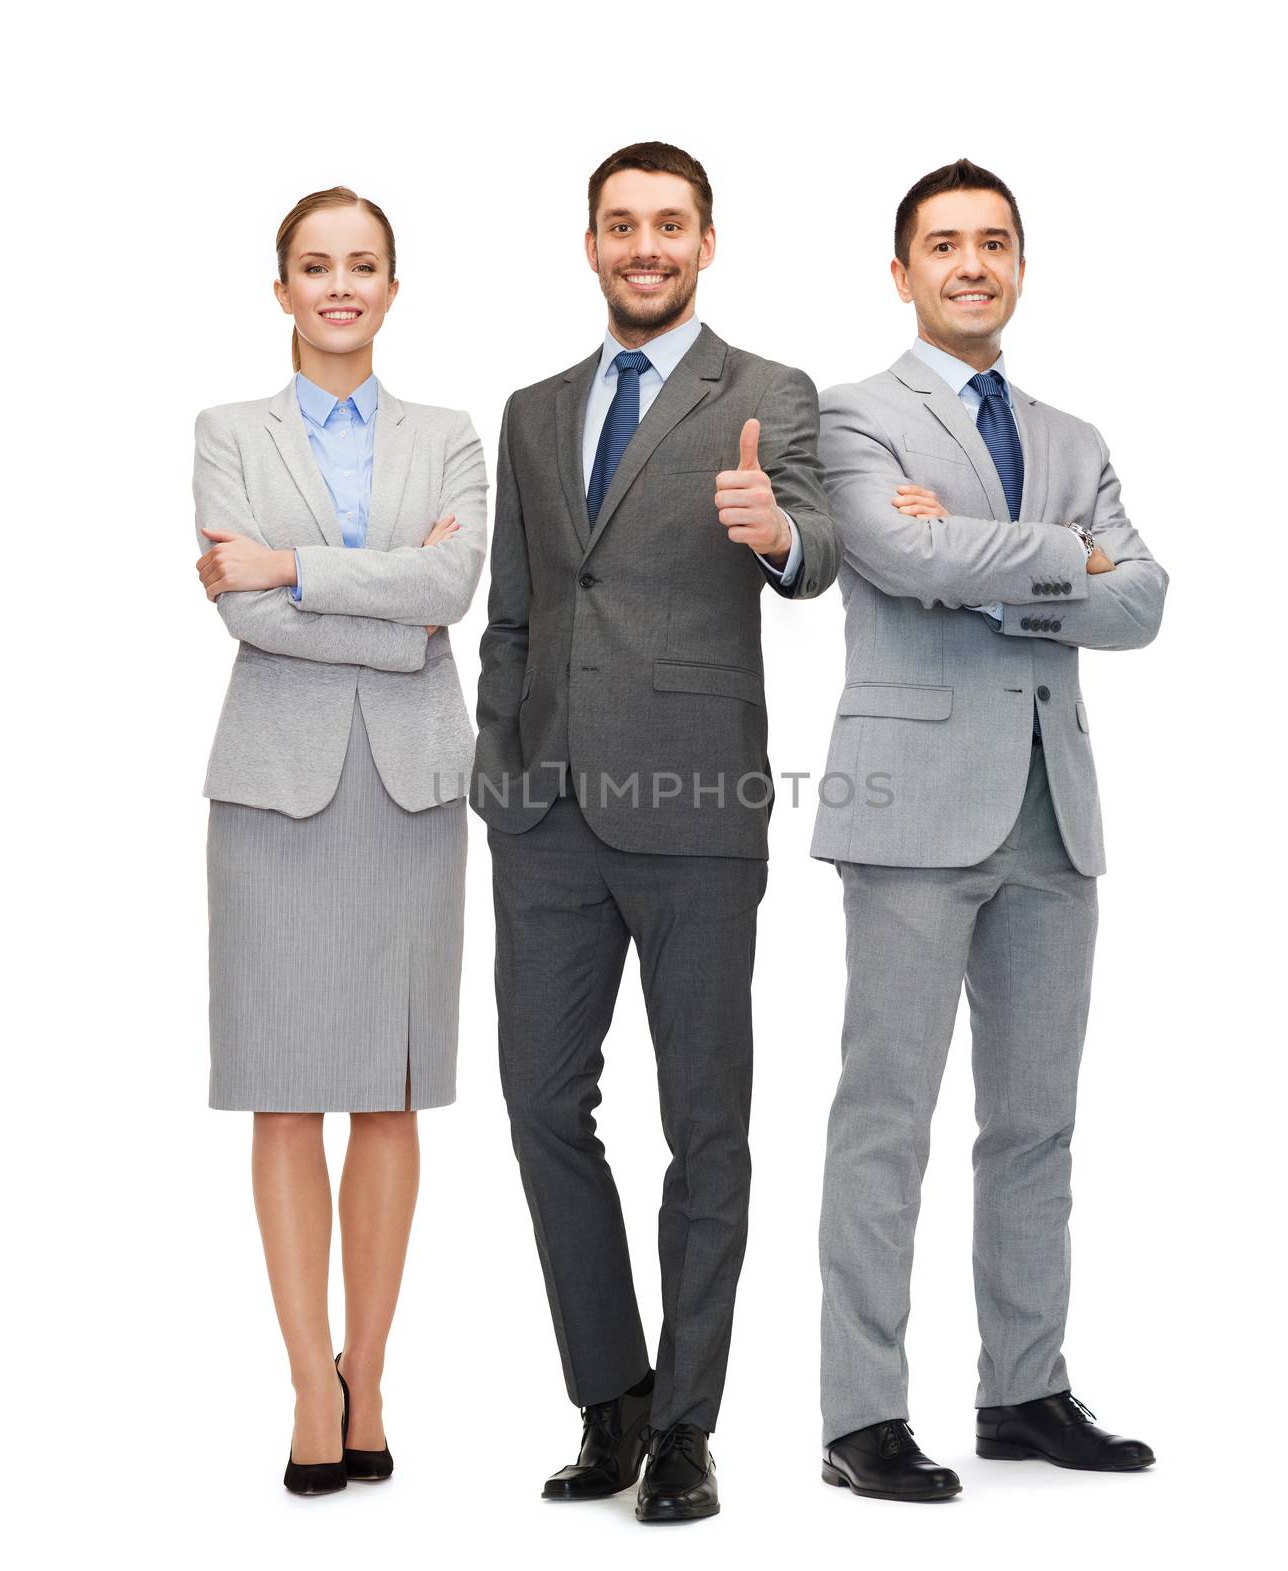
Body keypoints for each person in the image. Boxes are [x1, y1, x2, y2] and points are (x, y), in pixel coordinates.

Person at [473, 141, 839, 1523]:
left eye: (668, 226)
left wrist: (774, 533)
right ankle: (610, 1395)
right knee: (541, 1110)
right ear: (590, 245)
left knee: (707, 1127)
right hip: (546, 816)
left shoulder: (767, 395)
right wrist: (500, 768)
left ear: (705, 241)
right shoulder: (533, 408)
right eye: (621, 226)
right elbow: (514, 607)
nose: (645, 246)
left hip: (694, 810)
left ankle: (686, 1425)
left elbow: (815, 551)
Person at [811, 159, 1168, 1501]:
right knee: (885, 1119)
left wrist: (999, 558)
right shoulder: (849, 414)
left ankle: (1024, 1389)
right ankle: (860, 1417)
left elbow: (1145, 603)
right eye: (945, 245)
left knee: (1036, 1124)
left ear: (1021, 264)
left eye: (995, 243)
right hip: (911, 812)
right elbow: (899, 560)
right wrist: (1063, 557)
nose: (973, 264)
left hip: (1050, 812)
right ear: (902, 272)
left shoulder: (1074, 435)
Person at [192, 185, 486, 1496]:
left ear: (392, 286)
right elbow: (247, 621)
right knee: (284, 1086)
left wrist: (297, 567)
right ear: (281, 291)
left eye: (362, 265)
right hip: (276, 792)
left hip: (412, 793)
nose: (339, 287)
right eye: (315, 267)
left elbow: (454, 592)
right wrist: (396, 606)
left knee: (389, 1087)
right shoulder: (226, 434)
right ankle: (308, 1381)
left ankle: (372, 1369)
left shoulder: (451, 437)